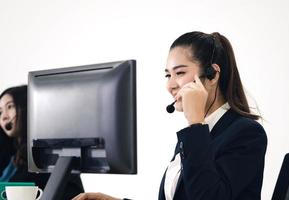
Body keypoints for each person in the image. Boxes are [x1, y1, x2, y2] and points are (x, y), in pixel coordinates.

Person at [72, 31, 268, 200]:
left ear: (213, 74)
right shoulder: (197, 134)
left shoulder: (246, 133)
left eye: (180, 73)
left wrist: (195, 125)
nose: (170, 85)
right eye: (168, 75)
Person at [0, 85, 85, 200]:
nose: (4, 117)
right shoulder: (11, 156)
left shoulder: (48, 154)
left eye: (10, 107)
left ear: (27, 108)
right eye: (0, 112)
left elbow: (73, 194)